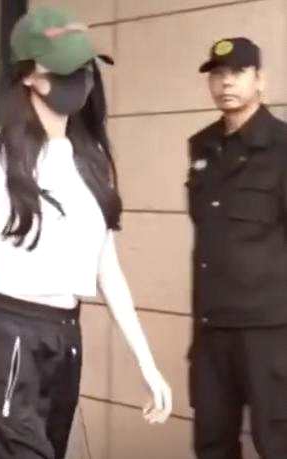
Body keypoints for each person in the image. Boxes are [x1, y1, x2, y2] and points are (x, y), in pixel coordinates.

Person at [0, 7, 172, 459]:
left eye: (85, 68)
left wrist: (146, 362)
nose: (80, 79)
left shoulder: (92, 158)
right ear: (29, 76)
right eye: (65, 69)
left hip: (64, 340)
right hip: (6, 340)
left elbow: (108, 270)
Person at [187, 37, 287, 459]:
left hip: (269, 331)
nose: (226, 82)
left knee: (277, 443)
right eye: (218, 74)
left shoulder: (282, 147)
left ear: (260, 80)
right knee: (211, 444)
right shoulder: (202, 145)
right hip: (211, 328)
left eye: (238, 73)